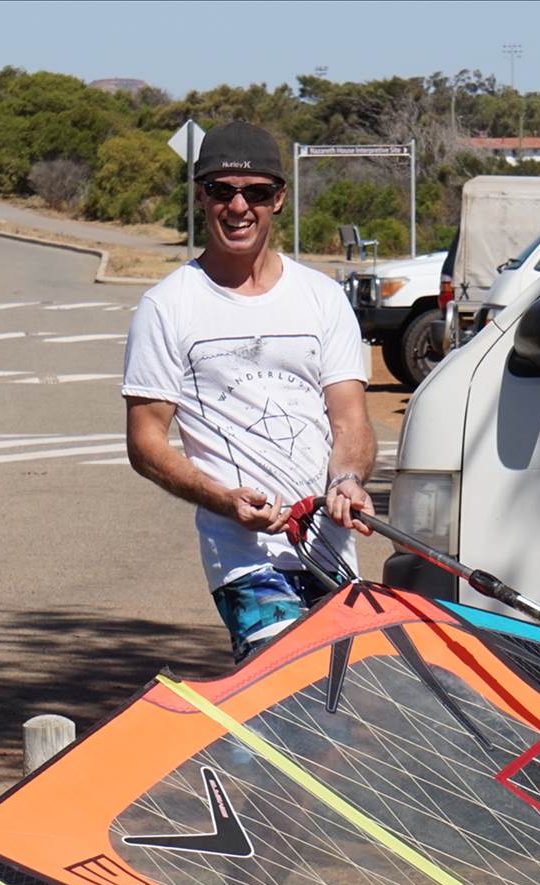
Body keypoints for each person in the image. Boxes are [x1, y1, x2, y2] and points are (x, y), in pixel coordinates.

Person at [121, 121, 377, 661]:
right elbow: (145, 443)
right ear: (201, 196)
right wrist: (224, 501)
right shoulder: (168, 306)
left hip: (329, 551)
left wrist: (349, 479)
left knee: (344, 697)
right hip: (244, 559)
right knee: (288, 685)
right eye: (222, 190)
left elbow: (350, 420)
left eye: (256, 193)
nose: (238, 207)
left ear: (278, 199)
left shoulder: (322, 298)